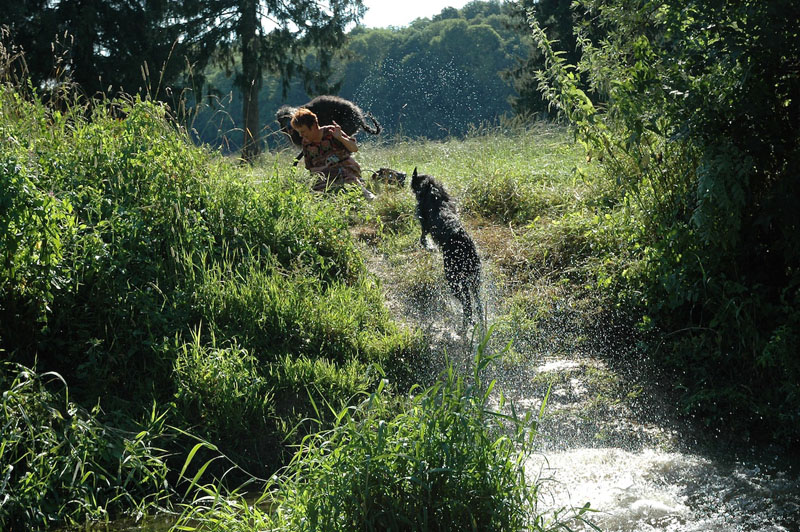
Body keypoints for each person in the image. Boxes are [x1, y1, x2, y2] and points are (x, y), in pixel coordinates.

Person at [290, 108, 375, 200]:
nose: (301, 135)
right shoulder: (306, 143)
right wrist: (324, 169)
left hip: (346, 169)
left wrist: (340, 137)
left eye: (303, 131)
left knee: (345, 175)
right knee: (316, 193)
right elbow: (311, 168)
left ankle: (366, 194)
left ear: (314, 126)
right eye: (299, 132)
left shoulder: (331, 131)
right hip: (325, 177)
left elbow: (354, 148)